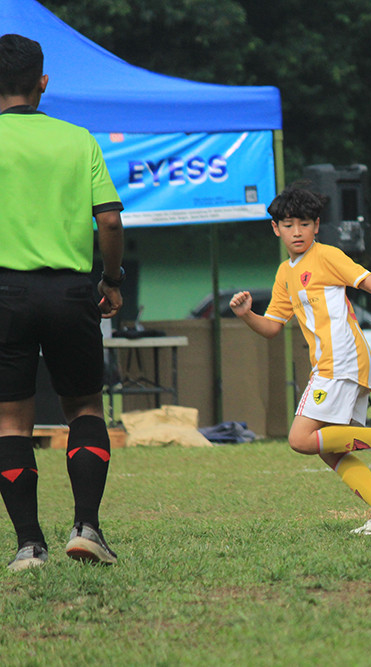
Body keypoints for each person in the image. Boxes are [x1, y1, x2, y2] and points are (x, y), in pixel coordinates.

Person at [230, 185, 371, 535]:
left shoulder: (326, 256)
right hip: (336, 363)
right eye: (289, 224)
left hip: (341, 360)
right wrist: (247, 315)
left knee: (300, 439)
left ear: (316, 226)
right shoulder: (285, 273)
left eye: (305, 224)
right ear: (276, 228)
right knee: (328, 448)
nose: (297, 231)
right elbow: (272, 327)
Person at [0, 34, 125, 571]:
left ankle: (29, 545)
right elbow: (110, 221)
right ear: (43, 82)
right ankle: (87, 528)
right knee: (85, 409)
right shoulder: (78, 140)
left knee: (11, 420)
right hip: (73, 293)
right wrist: (111, 280)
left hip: (6, 294)